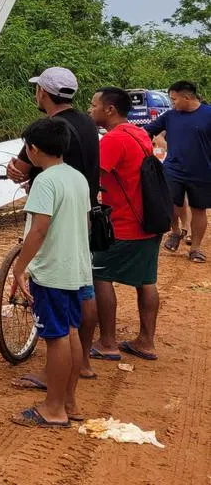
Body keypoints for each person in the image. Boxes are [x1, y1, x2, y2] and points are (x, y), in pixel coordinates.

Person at [5, 67, 101, 387]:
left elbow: (38, 227)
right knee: (80, 302)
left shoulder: (46, 132)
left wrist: (21, 267)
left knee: (57, 328)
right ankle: (82, 364)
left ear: (43, 93)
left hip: (54, 222)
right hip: (81, 215)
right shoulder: (88, 124)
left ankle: (55, 389)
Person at [9, 118, 93, 428]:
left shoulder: (44, 182)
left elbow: (39, 228)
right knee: (69, 332)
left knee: (56, 338)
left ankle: (53, 409)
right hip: (75, 269)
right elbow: (83, 225)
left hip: (52, 272)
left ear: (32, 149)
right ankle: (68, 401)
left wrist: (20, 267)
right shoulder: (77, 178)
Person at [86, 87, 162, 361]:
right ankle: (146, 341)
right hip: (150, 220)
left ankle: (107, 342)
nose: (89, 109)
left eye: (93, 104)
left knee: (101, 277)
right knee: (146, 280)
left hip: (123, 224)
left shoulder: (112, 140)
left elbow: (92, 177)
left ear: (109, 110)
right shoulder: (139, 132)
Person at [143, 81, 211, 263]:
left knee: (199, 209)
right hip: (173, 168)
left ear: (187, 97)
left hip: (202, 171)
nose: (172, 104)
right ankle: (175, 232)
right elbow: (145, 132)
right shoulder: (170, 116)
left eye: (174, 99)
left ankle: (195, 248)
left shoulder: (208, 114)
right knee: (170, 202)